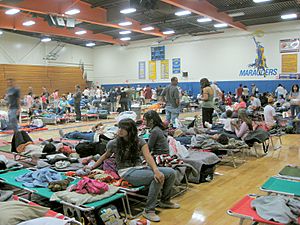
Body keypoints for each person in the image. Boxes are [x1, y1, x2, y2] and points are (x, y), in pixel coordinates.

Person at [88, 119, 179, 222]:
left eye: (123, 128)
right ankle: (149, 210)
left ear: (130, 130)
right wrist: (92, 167)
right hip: (126, 172)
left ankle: (165, 200)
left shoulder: (140, 141)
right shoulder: (113, 143)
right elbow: (104, 156)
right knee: (156, 178)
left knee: (171, 172)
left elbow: (148, 156)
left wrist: (156, 170)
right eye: (119, 127)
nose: (120, 130)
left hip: (141, 168)